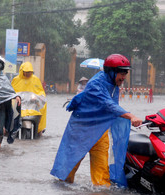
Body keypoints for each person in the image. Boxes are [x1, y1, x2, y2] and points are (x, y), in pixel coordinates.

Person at [50, 54, 142, 186]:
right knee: (67, 175)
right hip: (81, 131)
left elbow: (112, 107)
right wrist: (131, 116)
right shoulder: (95, 84)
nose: (123, 77)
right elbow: (109, 105)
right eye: (121, 73)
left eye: (125, 73)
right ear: (111, 72)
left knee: (102, 180)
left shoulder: (114, 85)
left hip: (100, 130)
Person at [11, 62, 47, 135]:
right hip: (19, 103)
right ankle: (7, 128)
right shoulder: (16, 80)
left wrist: (37, 97)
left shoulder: (35, 79)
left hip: (32, 104)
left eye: (30, 72)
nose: (28, 74)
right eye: (26, 72)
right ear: (22, 71)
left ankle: (40, 129)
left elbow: (41, 92)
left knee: (44, 105)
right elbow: (11, 92)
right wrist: (15, 97)